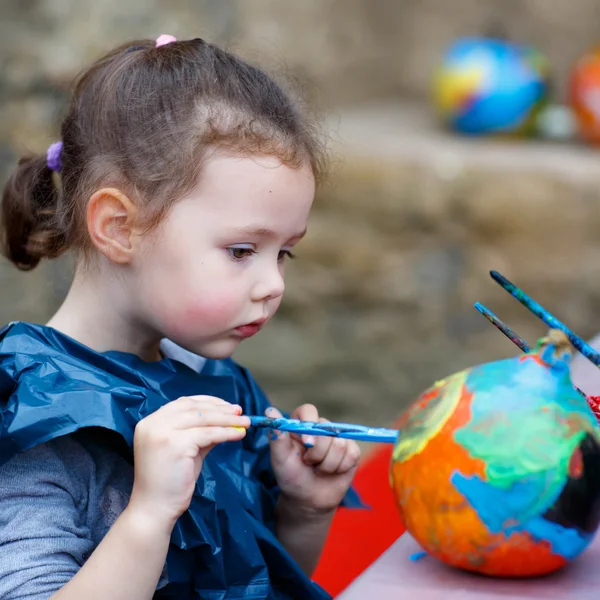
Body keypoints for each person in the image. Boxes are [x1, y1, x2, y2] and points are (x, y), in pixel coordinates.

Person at [0, 34, 363, 600]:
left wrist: (304, 509)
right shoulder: (37, 421)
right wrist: (149, 515)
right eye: (242, 251)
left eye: (284, 253)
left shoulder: (209, 378)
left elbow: (251, 582)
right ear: (120, 227)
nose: (273, 286)